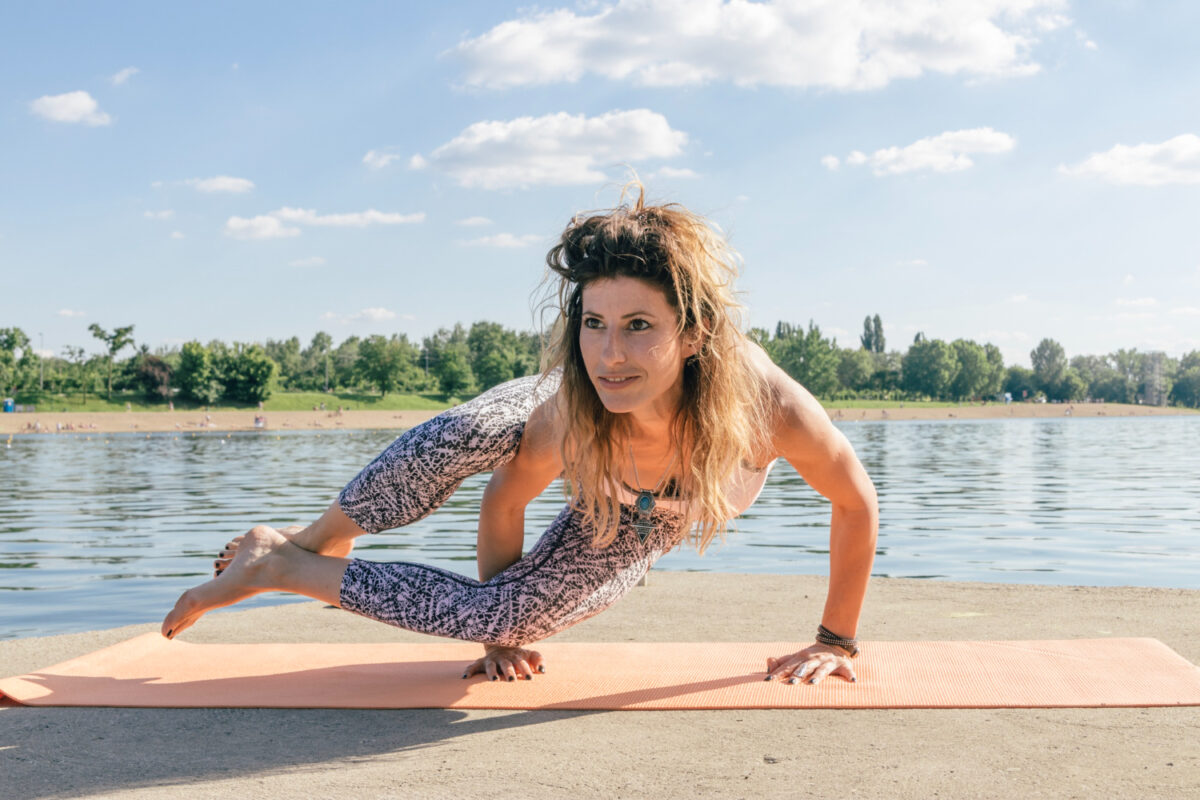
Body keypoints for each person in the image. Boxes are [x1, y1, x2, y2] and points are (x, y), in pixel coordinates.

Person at [162, 188, 878, 686]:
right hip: (566, 430)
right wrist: (499, 648)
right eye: (594, 324)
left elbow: (855, 502)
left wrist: (834, 641)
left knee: (504, 613)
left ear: (691, 335)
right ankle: (319, 536)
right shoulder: (575, 398)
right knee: (469, 432)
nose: (611, 355)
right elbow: (505, 502)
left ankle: (277, 563)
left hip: (636, 522)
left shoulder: (767, 405)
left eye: (639, 327)